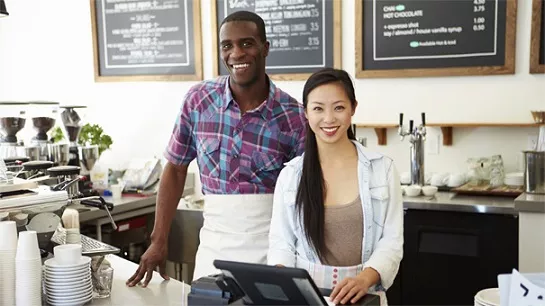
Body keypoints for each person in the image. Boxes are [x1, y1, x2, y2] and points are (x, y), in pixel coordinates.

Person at [126, 11, 307, 287]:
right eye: (227, 45)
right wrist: (158, 240)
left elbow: (306, 196)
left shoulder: (294, 116)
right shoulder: (199, 100)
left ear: (265, 48)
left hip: (273, 252)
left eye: (247, 43)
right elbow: (175, 169)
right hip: (213, 250)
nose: (236, 53)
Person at [267, 68, 403, 305]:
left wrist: (363, 279)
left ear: (353, 108)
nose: (328, 118)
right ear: (306, 112)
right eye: (318, 108)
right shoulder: (291, 175)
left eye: (338, 107)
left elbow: (391, 242)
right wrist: (282, 280)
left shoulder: (383, 170)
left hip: (365, 295)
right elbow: (282, 244)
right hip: (307, 296)